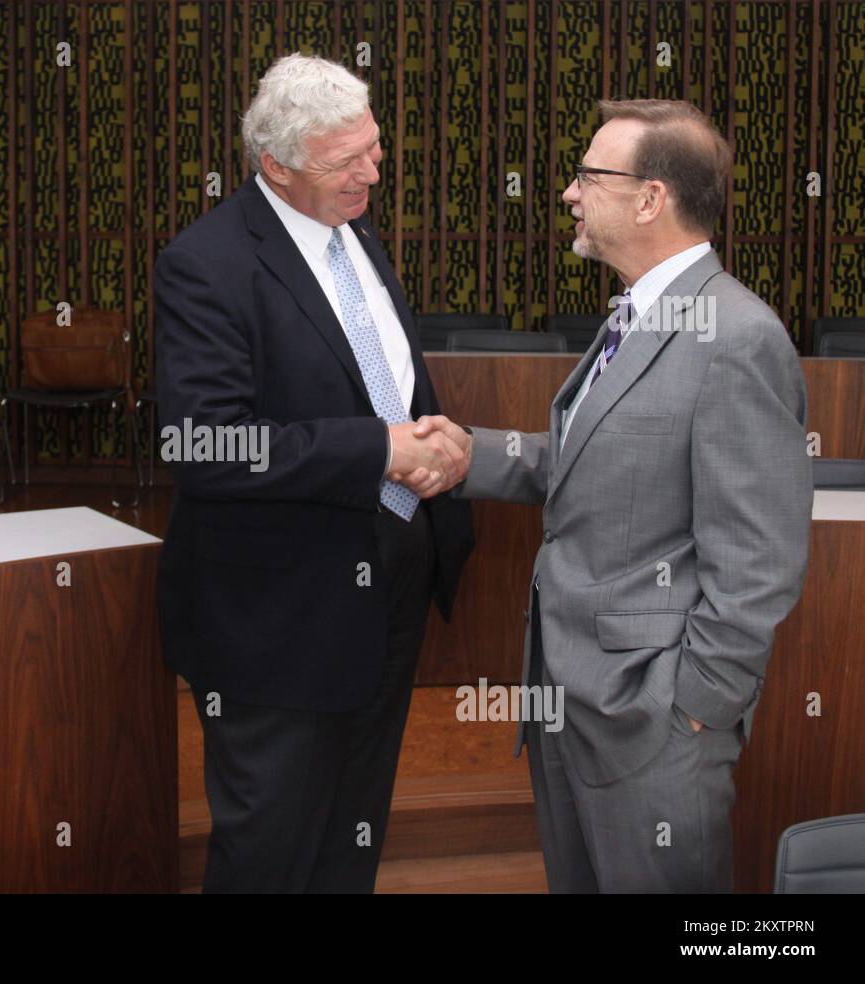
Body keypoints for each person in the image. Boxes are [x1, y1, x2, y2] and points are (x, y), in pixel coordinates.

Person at [441, 98, 812, 892]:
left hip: (651, 727)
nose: (570, 194)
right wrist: (470, 456)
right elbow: (598, 463)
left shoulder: (737, 338)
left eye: (587, 175)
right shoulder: (635, 316)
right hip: (570, 702)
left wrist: (692, 711)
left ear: (651, 199)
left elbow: (758, 566)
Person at [153, 53, 475, 893]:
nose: (373, 171)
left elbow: (380, 374)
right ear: (276, 165)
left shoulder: (354, 231)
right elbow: (202, 445)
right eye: (348, 161)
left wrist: (434, 440)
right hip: (281, 612)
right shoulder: (207, 263)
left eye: (375, 148)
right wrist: (381, 450)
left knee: (355, 823)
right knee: (271, 843)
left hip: (392, 570)